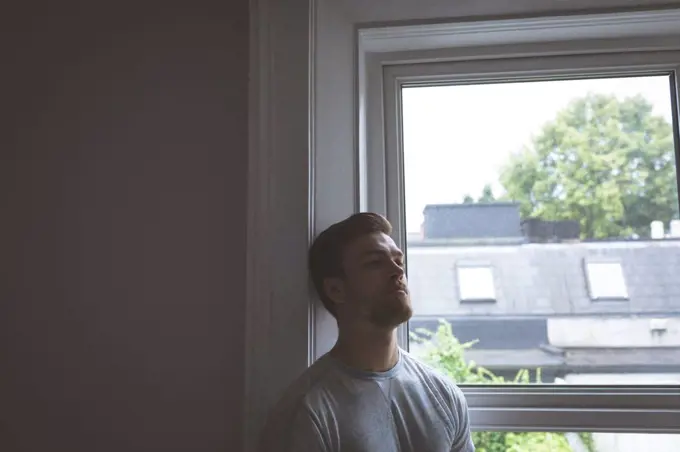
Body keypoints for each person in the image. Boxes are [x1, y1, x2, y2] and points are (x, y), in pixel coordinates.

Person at [259, 212, 475, 452]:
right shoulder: (307, 411)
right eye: (375, 263)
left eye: (398, 261)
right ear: (335, 289)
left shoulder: (443, 394)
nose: (397, 272)